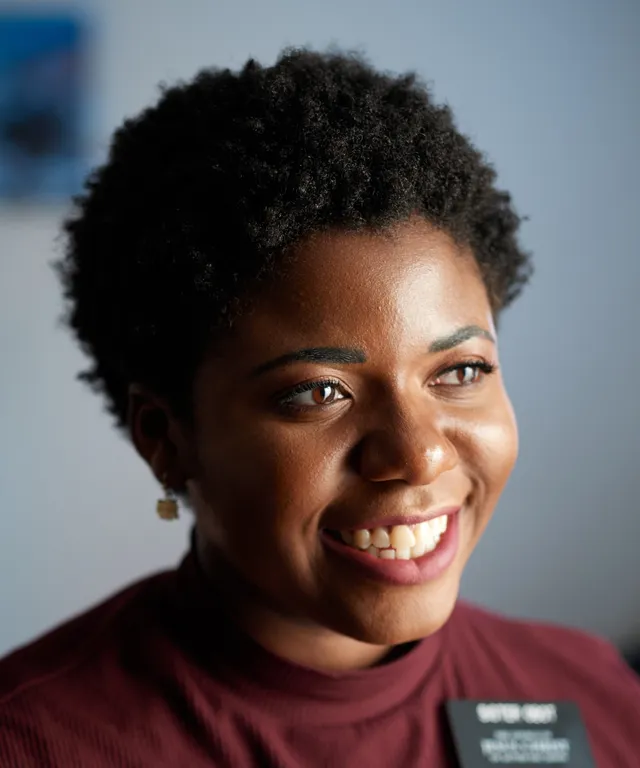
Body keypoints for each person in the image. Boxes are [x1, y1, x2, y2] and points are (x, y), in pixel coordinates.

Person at [0, 49, 638, 767]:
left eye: (460, 370)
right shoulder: (34, 741)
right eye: (317, 392)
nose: (418, 453)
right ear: (165, 437)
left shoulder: (595, 696)